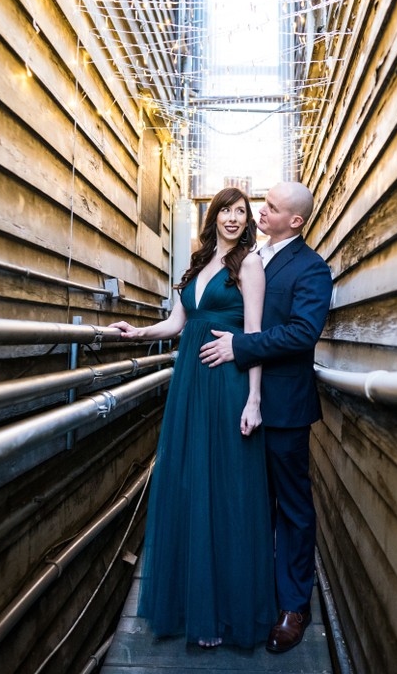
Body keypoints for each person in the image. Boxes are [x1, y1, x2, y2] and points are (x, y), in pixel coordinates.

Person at [110, 187, 276, 649]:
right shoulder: (198, 264)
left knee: (227, 488)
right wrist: (137, 330)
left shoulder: (250, 265)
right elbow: (176, 323)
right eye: (226, 210)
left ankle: (225, 611)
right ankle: (192, 605)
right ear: (213, 215)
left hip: (228, 384)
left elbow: (256, 333)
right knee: (190, 482)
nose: (234, 218)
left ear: (248, 221)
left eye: (242, 212)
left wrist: (254, 399)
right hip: (190, 386)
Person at [200, 181, 333, 654]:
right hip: (239, 401)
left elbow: (301, 334)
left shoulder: (313, 270)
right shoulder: (251, 255)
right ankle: (250, 594)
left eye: (272, 208)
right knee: (249, 501)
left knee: (292, 508)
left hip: (284, 409)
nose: (261, 211)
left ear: (295, 221)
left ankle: (294, 605)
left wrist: (240, 346)